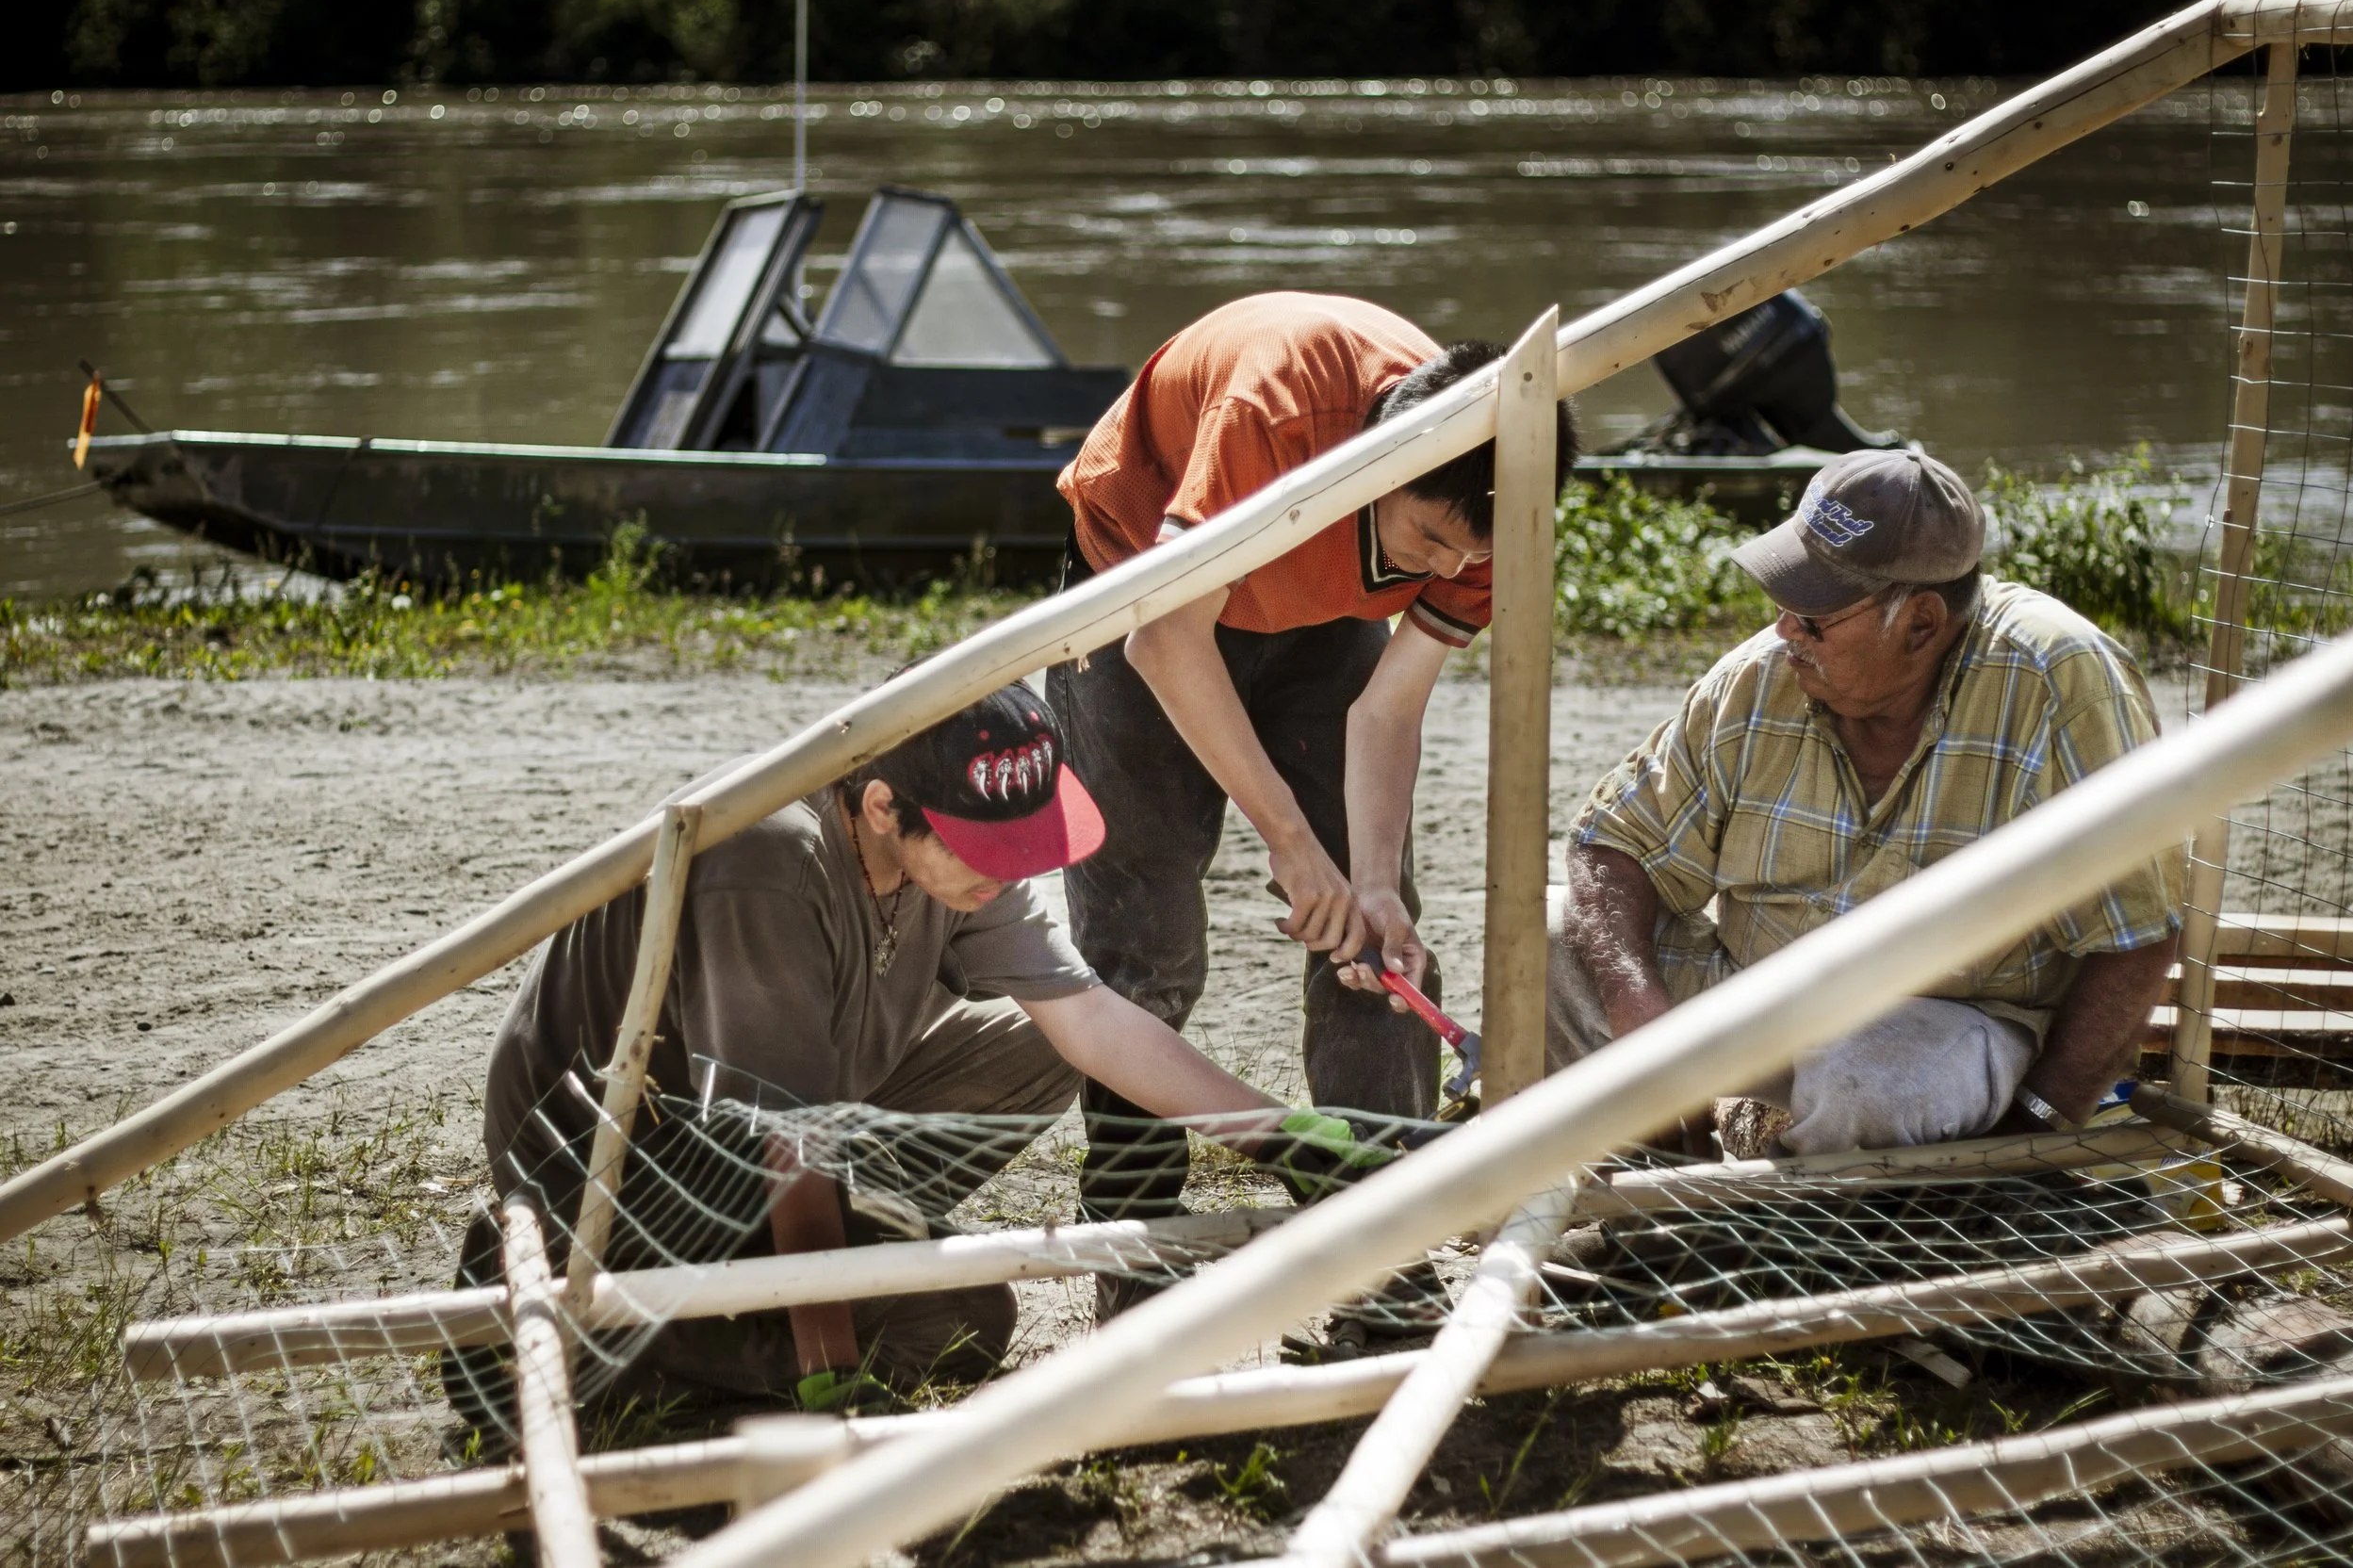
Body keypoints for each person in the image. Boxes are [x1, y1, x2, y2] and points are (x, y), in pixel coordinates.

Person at [450, 682, 1381, 1421]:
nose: (1012, 867)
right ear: (884, 804)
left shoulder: (956, 855)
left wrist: (1285, 1136)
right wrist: (827, 1358)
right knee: (960, 1321)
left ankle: (820, 1256)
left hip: (775, 1122)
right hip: (612, 1160)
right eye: (987, 847)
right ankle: (579, 1331)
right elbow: (784, 1136)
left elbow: (1090, 1019)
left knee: (1049, 1041)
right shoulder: (768, 859)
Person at [1048, 292, 1577, 1284]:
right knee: (1144, 932)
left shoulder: (1493, 512)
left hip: (1324, 612)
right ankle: (1133, 1233)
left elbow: (1386, 710)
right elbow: (1163, 640)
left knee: (1379, 934)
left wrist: (1367, 877)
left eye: (1474, 554)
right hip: (1140, 586)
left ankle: (1379, 1220)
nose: (1453, 569)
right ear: (1380, 465)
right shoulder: (1275, 418)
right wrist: (1294, 848)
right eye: (1428, 541)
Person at [1551, 448, 2182, 1158]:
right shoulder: (1761, 677)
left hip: (1947, 1024)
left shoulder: (2059, 682)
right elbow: (1613, 841)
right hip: (1756, 995)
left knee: (1867, 1078)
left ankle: (1810, 1230)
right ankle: (1660, 1173)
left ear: (1920, 622)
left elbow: (2138, 932)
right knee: (1549, 935)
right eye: (1783, 599)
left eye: (1814, 616)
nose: (1785, 629)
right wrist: (1640, 1018)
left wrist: (2038, 1122)